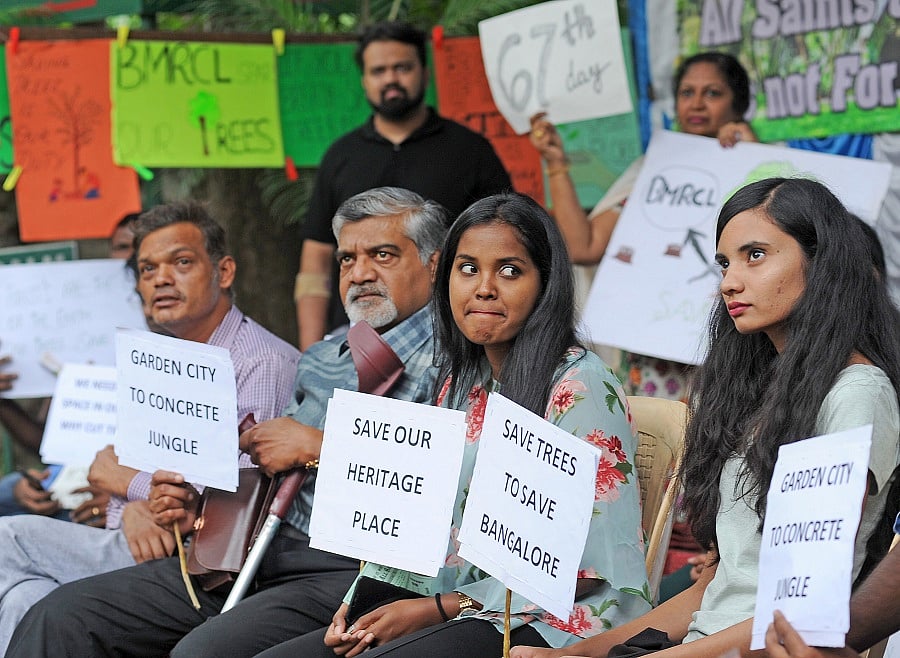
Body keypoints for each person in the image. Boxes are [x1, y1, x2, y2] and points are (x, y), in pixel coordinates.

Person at [7, 187, 448, 658]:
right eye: (345, 259)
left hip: (351, 566)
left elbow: (446, 479)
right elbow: (223, 480)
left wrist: (317, 444)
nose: (359, 273)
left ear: (435, 265)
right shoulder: (324, 356)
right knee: (51, 612)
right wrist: (163, 499)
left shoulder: (456, 357)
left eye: (382, 255)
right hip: (249, 548)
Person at [509, 177, 900, 658]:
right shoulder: (755, 392)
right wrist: (576, 654)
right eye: (724, 262)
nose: (729, 281)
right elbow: (711, 591)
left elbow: (800, 611)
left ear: (821, 263)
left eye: (755, 255)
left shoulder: (857, 392)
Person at [255, 192, 649, 658]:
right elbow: (415, 514)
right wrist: (361, 601)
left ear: (546, 284)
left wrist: (436, 609)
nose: (484, 287)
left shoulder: (579, 385)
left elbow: (585, 568)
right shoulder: (463, 381)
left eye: (509, 271)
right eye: (468, 269)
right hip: (458, 603)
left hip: (557, 620)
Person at [0, 201, 301, 653]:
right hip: (147, 538)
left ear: (223, 272)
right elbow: (118, 464)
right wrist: (135, 502)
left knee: (8, 540)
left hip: (205, 565)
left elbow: (234, 497)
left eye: (181, 263)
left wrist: (126, 484)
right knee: (26, 597)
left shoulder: (260, 361)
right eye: (146, 269)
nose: (161, 279)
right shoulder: (167, 356)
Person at [529, 51, 758, 401]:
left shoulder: (764, 164)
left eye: (712, 93)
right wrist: (556, 165)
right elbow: (583, 246)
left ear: (738, 105)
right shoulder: (652, 172)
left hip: (733, 351)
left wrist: (753, 155)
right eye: (686, 93)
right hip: (652, 358)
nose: (697, 103)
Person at [295, 21, 511, 350]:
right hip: (354, 338)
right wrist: (311, 354)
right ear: (365, 80)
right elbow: (315, 264)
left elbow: (505, 244)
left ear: (425, 73)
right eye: (379, 71)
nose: (391, 79)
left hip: (455, 338)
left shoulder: (470, 151)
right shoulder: (341, 156)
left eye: (402, 68)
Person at [0, 211, 144, 520]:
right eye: (121, 247)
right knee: (9, 490)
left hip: (121, 493)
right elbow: (45, 441)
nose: (130, 257)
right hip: (62, 480)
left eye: (140, 247)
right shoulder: (83, 332)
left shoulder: (168, 335)